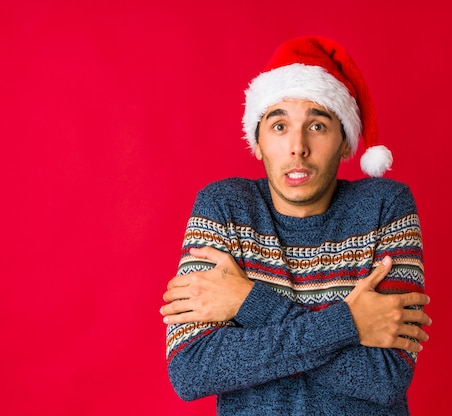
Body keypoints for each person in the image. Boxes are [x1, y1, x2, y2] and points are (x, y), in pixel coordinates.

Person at [160, 36, 432, 415]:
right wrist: (351, 323)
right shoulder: (224, 207)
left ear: (344, 142)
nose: (297, 147)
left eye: (317, 126)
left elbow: (384, 376)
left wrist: (246, 301)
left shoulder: (385, 206)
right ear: (256, 142)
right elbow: (192, 370)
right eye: (279, 126)